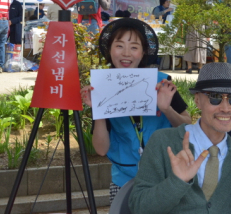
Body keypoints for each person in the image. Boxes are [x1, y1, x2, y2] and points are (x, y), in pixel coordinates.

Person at [128, 62, 231, 214]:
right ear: (197, 100)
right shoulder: (163, 142)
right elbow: (139, 207)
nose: (225, 108)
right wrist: (177, 182)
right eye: (215, 97)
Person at [79, 18, 192, 202]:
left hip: (166, 176)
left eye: (134, 47)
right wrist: (98, 110)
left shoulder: (162, 82)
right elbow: (101, 149)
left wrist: (166, 109)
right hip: (123, 180)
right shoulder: (102, 88)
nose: (126, 53)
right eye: (119, 46)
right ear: (109, 49)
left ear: (143, 51)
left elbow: (188, 127)